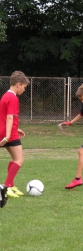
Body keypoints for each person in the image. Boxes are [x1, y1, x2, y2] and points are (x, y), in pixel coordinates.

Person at [0, 71, 30, 205]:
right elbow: (10, 117)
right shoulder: (13, 98)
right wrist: (8, 135)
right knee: (19, 159)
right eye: (24, 87)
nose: (24, 89)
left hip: (7, 131)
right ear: (18, 84)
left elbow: (5, 117)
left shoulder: (5, 96)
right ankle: (5, 187)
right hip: (9, 134)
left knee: (13, 159)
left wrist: (16, 129)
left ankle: (10, 186)